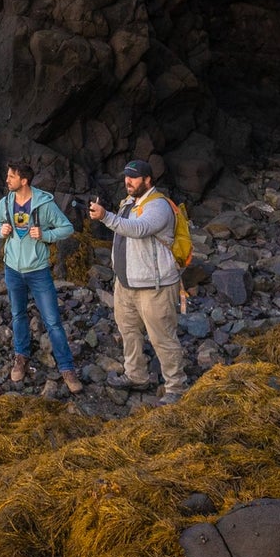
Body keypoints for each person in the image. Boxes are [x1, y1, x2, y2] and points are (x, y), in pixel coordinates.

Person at [89, 159, 190, 401]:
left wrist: (105, 217)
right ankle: (136, 375)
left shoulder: (159, 206)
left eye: (134, 177)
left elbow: (139, 229)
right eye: (126, 176)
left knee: (162, 337)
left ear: (148, 180)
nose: (128, 181)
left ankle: (176, 387)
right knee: (129, 331)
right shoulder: (128, 203)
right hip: (125, 284)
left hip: (155, 286)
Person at [0, 161, 83, 393]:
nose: (7, 179)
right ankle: (21, 357)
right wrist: (1, 230)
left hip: (38, 271)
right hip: (12, 269)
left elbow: (67, 228)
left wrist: (45, 234)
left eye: (11, 176)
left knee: (52, 321)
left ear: (24, 180)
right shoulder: (7, 202)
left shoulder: (44, 204)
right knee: (18, 314)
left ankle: (67, 368)